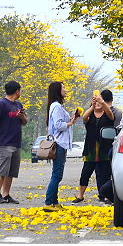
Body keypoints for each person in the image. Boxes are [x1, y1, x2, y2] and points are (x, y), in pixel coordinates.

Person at [72, 90, 115, 205]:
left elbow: (110, 115)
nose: (97, 105)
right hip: (90, 149)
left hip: (104, 149)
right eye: (95, 103)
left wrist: (102, 102)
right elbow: (84, 117)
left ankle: (106, 196)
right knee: (85, 172)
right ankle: (80, 195)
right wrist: (93, 105)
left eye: (100, 103)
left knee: (105, 174)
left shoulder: (107, 115)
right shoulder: (90, 116)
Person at [0, 80, 27, 204]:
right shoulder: (1, 104)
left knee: (11, 171)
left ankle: (6, 194)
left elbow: (25, 122)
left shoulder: (18, 105)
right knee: (1, 169)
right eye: (20, 90)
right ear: (17, 91)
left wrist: (22, 117)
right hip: (4, 142)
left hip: (16, 143)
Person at [43, 81, 80, 212]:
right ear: (57, 91)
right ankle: (48, 202)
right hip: (59, 143)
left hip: (60, 143)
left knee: (57, 174)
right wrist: (69, 123)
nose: (65, 90)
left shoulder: (56, 106)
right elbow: (59, 125)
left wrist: (72, 121)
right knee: (57, 175)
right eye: (63, 88)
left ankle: (54, 201)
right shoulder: (56, 106)